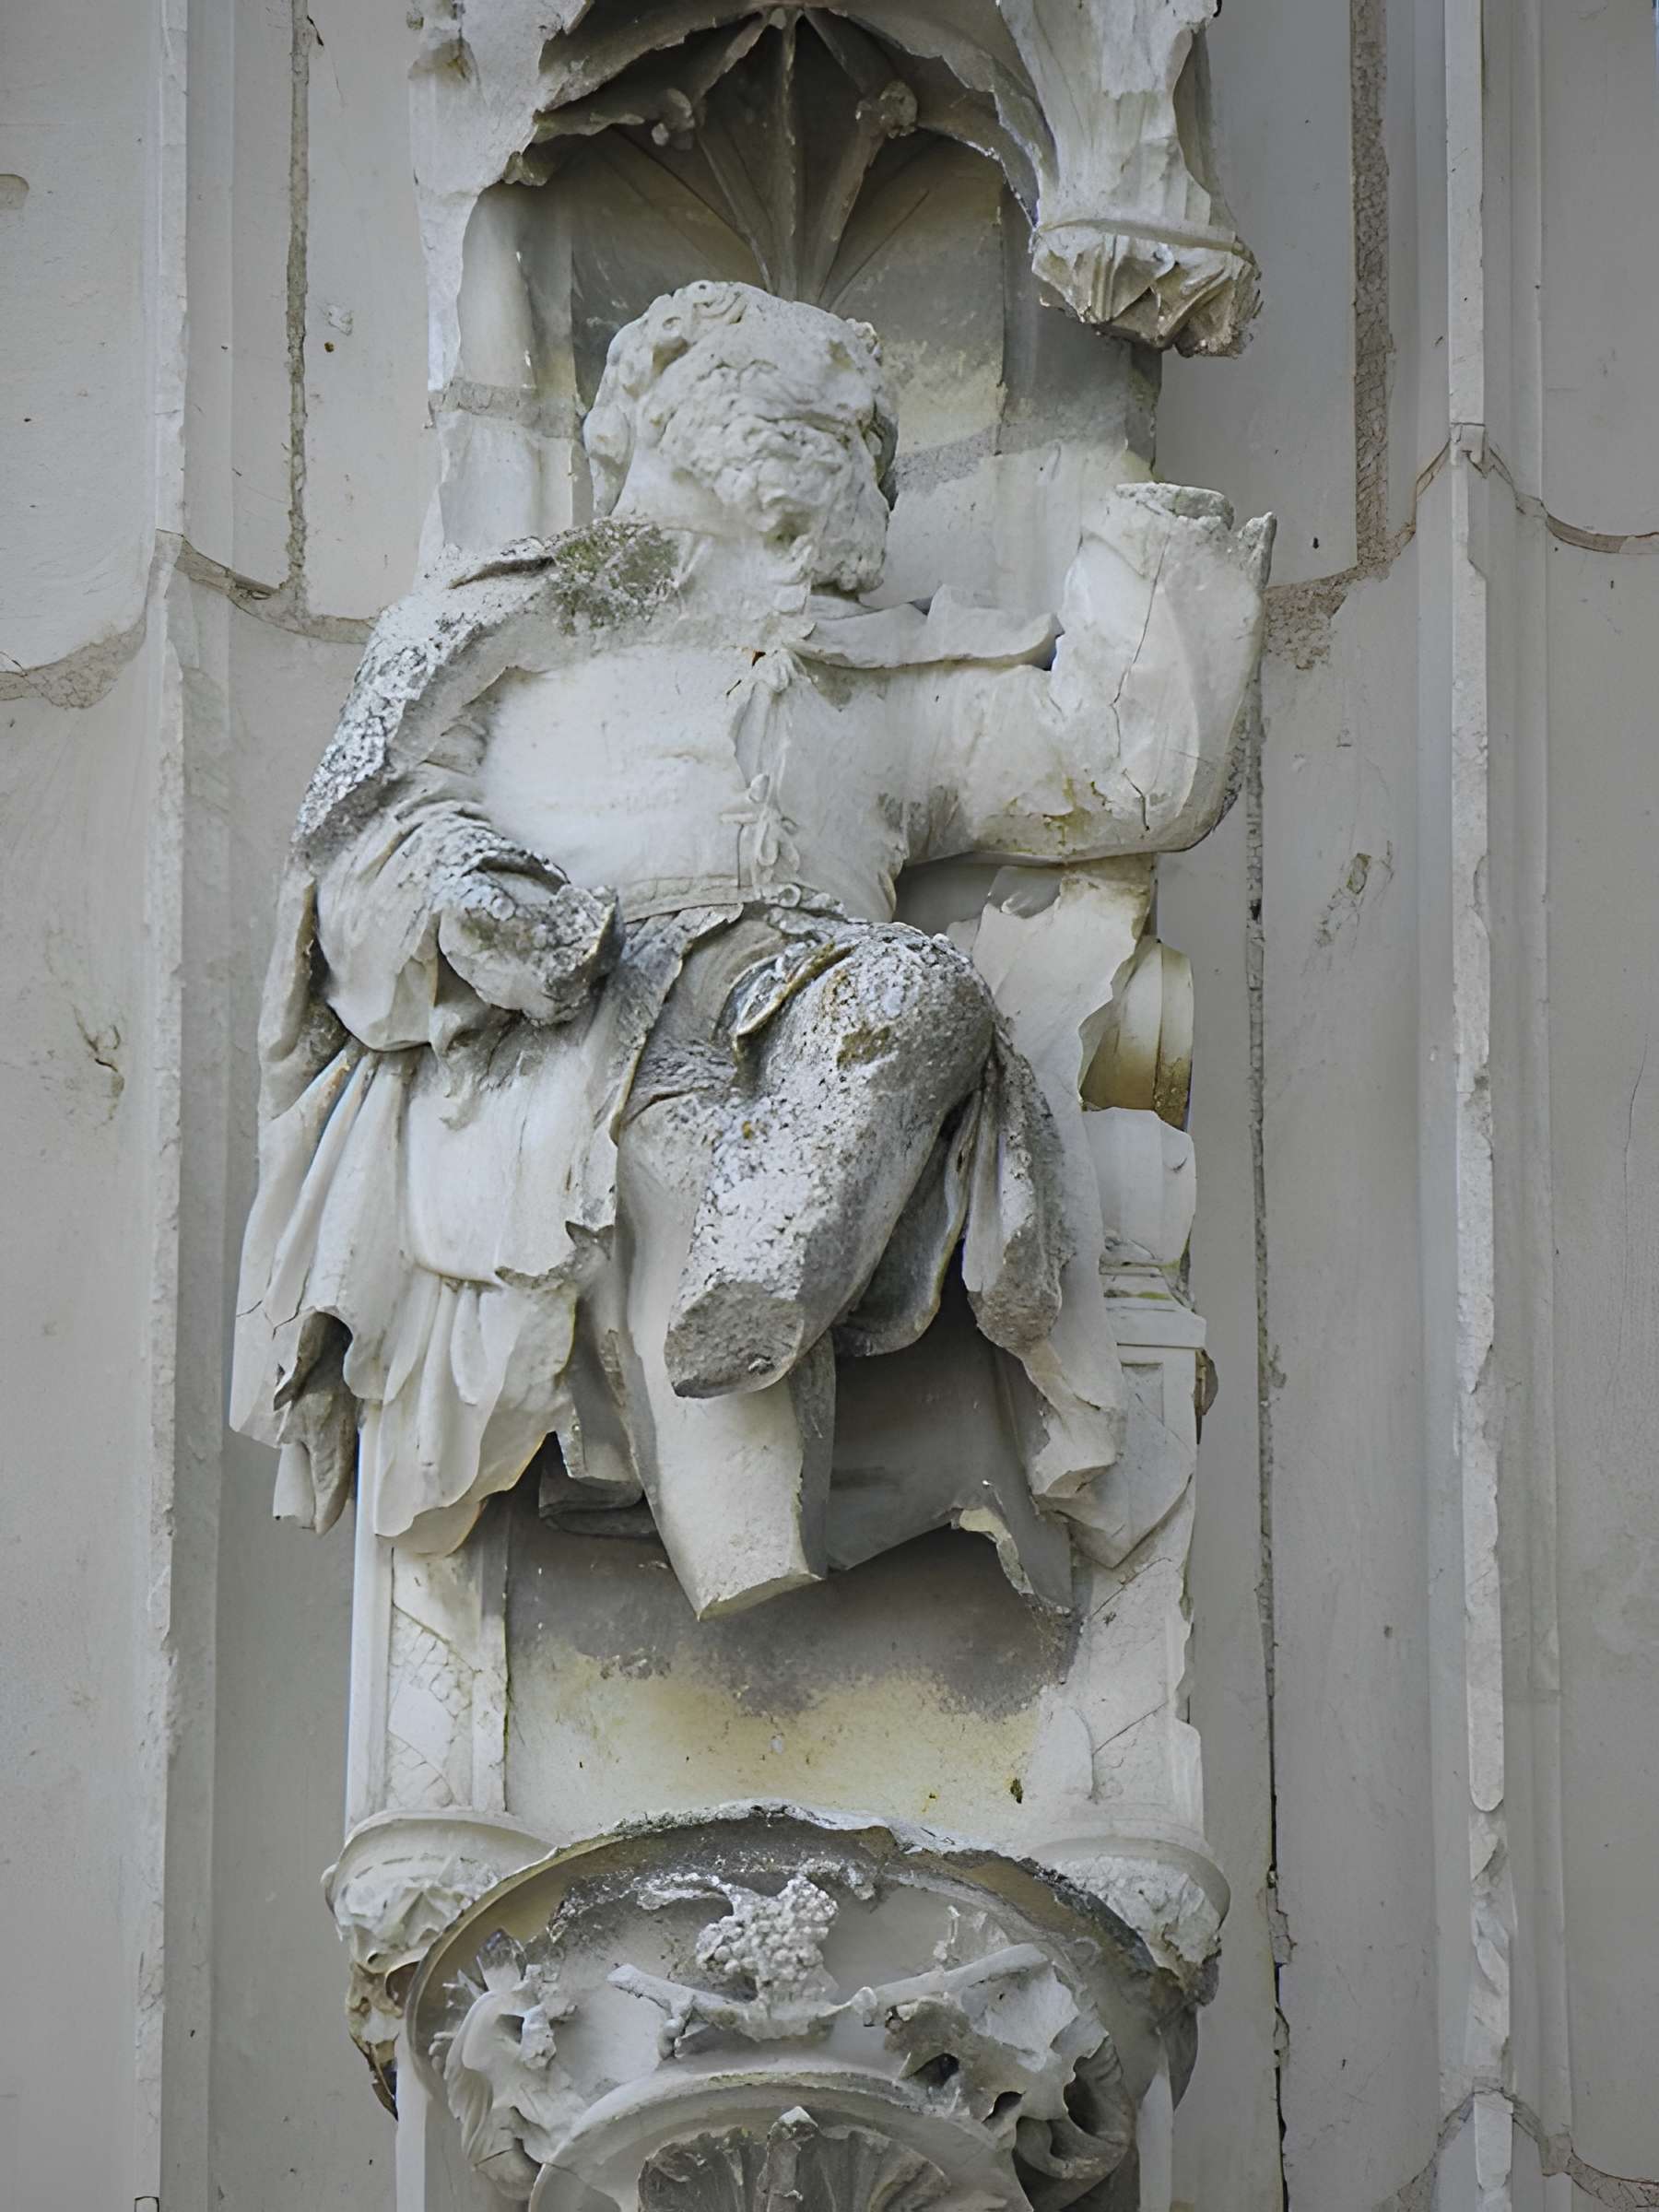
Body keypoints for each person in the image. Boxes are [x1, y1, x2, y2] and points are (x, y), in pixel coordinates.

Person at [232, 279, 1272, 1616]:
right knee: (663, 1152)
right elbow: (372, 824)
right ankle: (746, 1516)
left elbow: (1117, 771)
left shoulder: (889, 675)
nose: (847, 429)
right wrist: (474, 902)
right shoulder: (516, 614)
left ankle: (771, 1268)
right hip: (601, 999)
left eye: (861, 425)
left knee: (917, 993)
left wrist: (1158, 545)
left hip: (805, 982)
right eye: (805, 397)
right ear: (666, 406)